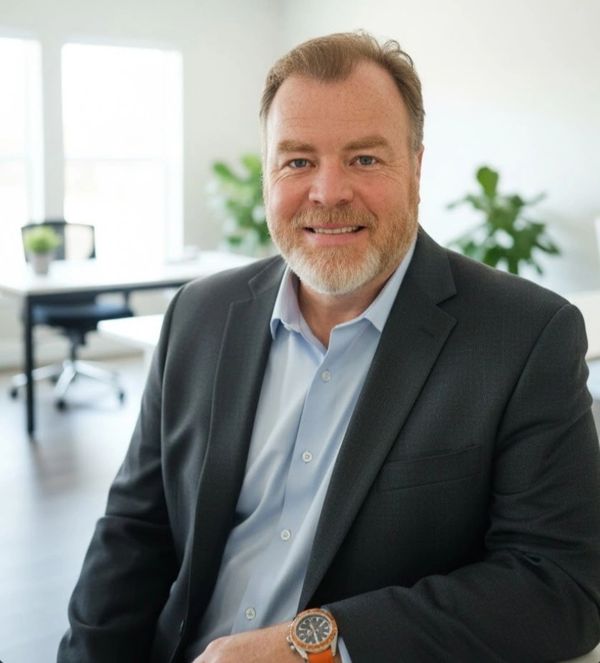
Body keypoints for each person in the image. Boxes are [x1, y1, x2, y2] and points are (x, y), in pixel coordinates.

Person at [58, 32, 600, 663]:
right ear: (268, 172)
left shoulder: (524, 337)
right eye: (297, 161)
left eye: (365, 159)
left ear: (416, 168)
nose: (328, 191)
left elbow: (560, 586)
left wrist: (308, 647)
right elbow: (133, 532)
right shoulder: (198, 315)